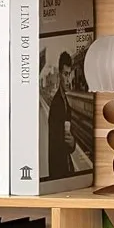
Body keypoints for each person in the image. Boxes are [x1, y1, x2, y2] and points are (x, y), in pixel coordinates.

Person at [47, 51, 77, 179]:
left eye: (69, 74)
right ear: (59, 74)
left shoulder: (64, 101)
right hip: (60, 170)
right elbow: (56, 147)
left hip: (64, 165)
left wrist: (73, 142)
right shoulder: (57, 104)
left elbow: (68, 138)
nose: (68, 79)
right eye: (65, 74)